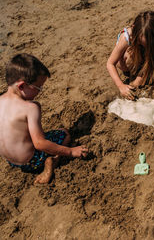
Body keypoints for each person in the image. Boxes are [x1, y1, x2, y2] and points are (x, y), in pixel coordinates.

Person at [0, 54, 88, 184]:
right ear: (21, 86)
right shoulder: (30, 107)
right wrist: (70, 151)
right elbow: (40, 144)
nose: (40, 91)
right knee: (64, 133)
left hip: (11, 161)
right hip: (31, 162)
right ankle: (53, 161)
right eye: (38, 87)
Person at [106, 11, 154, 100]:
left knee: (140, 80)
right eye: (141, 42)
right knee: (130, 54)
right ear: (134, 30)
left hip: (145, 58)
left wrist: (139, 78)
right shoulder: (126, 37)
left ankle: (153, 65)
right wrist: (121, 86)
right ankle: (142, 68)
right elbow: (110, 63)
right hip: (127, 62)